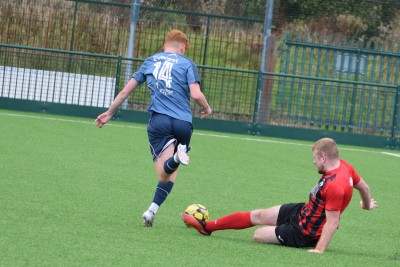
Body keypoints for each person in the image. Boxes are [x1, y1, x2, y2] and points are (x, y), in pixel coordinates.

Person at [96, 29, 212, 227]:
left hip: (160, 122)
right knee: (170, 175)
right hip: (184, 124)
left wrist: (109, 112)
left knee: (163, 174)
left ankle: (175, 159)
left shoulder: (151, 61)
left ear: (164, 45)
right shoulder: (187, 63)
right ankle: (151, 211)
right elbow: (195, 94)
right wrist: (207, 108)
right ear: (183, 47)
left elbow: (125, 91)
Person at [182, 138, 378, 253]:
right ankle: (208, 227)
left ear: (324, 158)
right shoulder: (345, 167)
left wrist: (318, 250)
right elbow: (365, 188)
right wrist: (366, 204)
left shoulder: (334, 185)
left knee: (257, 235)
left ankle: (283, 232)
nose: (314, 163)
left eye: (315, 159)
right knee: (258, 215)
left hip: (304, 233)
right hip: (302, 211)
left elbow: (333, 222)